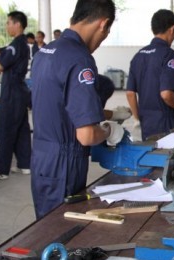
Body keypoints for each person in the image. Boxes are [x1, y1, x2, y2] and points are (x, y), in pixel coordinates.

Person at [30, 0, 125, 219]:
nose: (101, 40)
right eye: (106, 33)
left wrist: (107, 114)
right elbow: (87, 135)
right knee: (62, 231)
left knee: (45, 226)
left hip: (42, 157)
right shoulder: (80, 59)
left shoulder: (45, 52)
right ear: (103, 24)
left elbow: (62, 108)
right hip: (64, 162)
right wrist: (109, 130)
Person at [0, 11, 32, 182]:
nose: (7, 26)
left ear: (17, 24)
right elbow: (2, 53)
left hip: (12, 93)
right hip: (20, 92)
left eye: (8, 23)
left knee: (5, 129)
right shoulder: (20, 44)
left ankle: (1, 170)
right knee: (21, 129)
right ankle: (25, 164)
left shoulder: (17, 44)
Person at [126, 9, 174, 141]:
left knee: (149, 157)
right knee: (167, 159)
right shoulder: (169, 55)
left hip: (146, 123)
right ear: (172, 29)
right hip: (164, 123)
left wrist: (137, 118)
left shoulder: (138, 55)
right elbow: (166, 94)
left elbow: (130, 93)